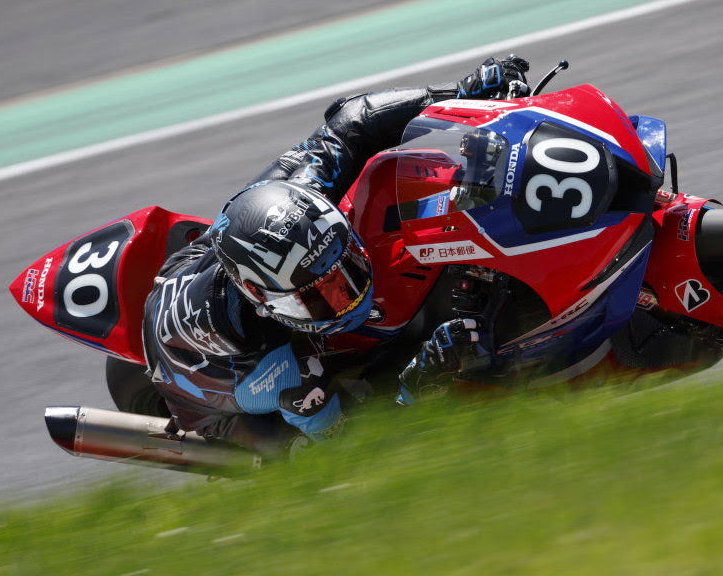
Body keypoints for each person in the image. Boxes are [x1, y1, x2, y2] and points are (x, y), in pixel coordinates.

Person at [129, 56, 532, 455]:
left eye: (347, 268)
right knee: (300, 448)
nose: (352, 295)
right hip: (217, 384)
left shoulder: (297, 191)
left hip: (198, 266)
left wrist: (458, 95)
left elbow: (351, 121)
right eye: (324, 295)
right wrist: (420, 379)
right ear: (266, 300)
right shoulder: (282, 373)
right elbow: (359, 447)